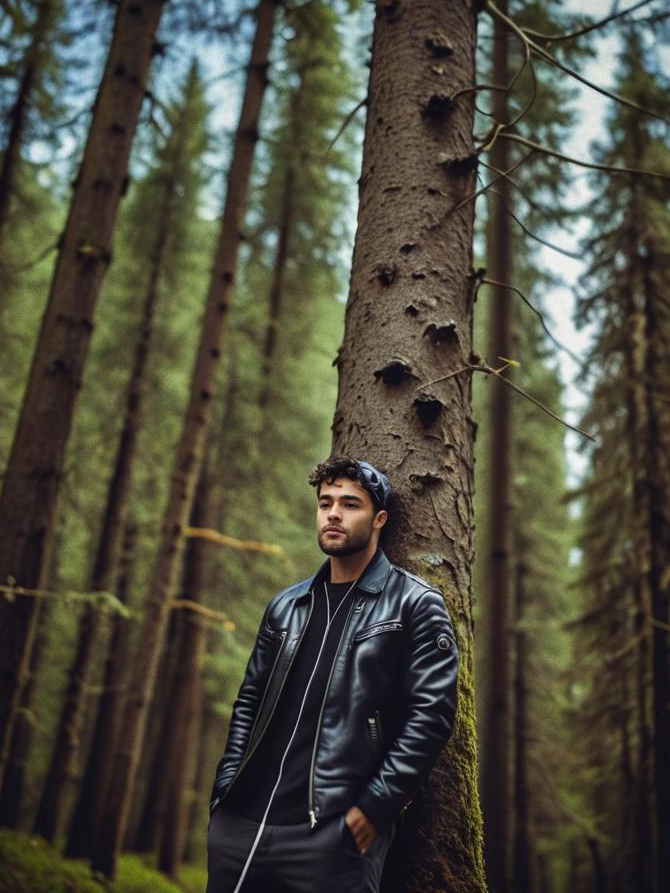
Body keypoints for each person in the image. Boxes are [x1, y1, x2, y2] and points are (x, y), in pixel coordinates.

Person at [207, 456, 459, 893]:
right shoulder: (287, 606)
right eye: (325, 504)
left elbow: (431, 716)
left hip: (331, 834)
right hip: (242, 827)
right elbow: (249, 699)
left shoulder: (414, 604)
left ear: (379, 518)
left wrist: (374, 807)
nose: (334, 514)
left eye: (350, 504)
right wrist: (226, 789)